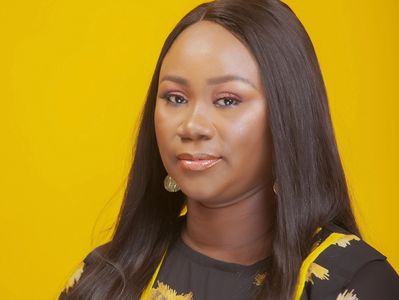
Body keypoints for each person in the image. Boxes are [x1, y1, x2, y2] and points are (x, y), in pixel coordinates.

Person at [59, 0, 399, 299]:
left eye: (227, 100)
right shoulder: (103, 279)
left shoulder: (350, 283)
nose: (192, 126)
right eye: (175, 98)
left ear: (288, 115)